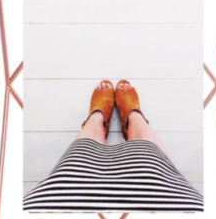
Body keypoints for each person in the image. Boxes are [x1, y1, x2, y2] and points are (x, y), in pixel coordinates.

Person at [23, 79, 203, 212]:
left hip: (56, 201)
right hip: (170, 200)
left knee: (79, 158)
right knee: (149, 156)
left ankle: (97, 120)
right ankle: (134, 118)